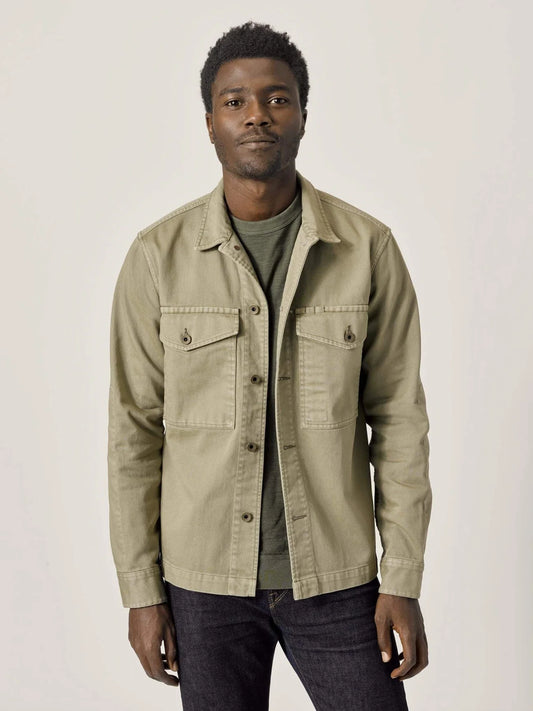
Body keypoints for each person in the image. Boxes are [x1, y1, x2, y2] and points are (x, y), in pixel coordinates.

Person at [107, 20, 432, 711]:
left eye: (277, 99)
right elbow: (133, 432)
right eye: (235, 102)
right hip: (202, 584)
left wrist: (401, 576)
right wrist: (141, 590)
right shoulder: (156, 257)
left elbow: (400, 419)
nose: (256, 115)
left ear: (303, 115)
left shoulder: (366, 248)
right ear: (210, 123)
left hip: (337, 578)